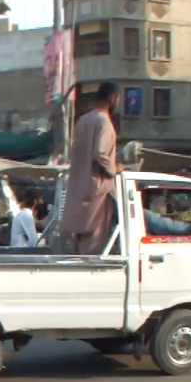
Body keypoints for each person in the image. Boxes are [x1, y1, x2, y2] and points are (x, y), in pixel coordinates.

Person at [59, 82, 122, 255]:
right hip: (97, 192)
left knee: (79, 243)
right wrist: (114, 169)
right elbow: (100, 153)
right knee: (93, 245)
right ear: (112, 98)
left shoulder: (83, 120)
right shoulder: (104, 122)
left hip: (78, 190)